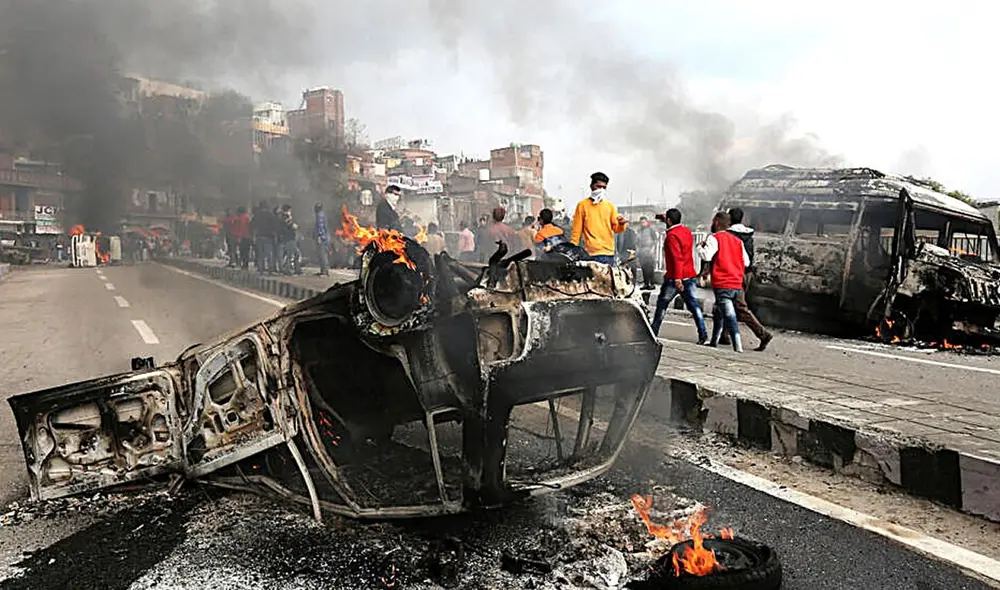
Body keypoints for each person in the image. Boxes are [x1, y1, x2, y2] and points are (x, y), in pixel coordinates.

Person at [719, 207, 773, 351]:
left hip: (734, 274)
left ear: (730, 219)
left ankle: (763, 334)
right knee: (731, 304)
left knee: (739, 306)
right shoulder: (748, 234)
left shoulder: (728, 234)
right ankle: (724, 335)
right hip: (746, 273)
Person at [650, 208, 708, 343]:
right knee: (694, 306)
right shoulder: (686, 231)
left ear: (669, 220)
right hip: (689, 275)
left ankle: (653, 331)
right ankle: (703, 334)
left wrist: (677, 279)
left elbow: (677, 258)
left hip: (675, 278)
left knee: (662, 305)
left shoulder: (671, 236)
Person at [697, 211, 750, 353]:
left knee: (729, 314)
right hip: (737, 283)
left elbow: (707, 256)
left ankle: (738, 345)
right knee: (718, 312)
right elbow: (746, 262)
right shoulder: (738, 241)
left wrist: (699, 247)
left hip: (723, 283)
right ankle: (714, 341)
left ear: (716, 222)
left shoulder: (714, 238)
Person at [569, 171, 627, 265]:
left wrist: (622, 223)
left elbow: (617, 229)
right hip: (590, 254)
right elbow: (576, 231)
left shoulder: (609, 206)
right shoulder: (582, 205)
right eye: (598, 187)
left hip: (607, 254)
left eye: (604, 188)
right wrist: (572, 249)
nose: (601, 190)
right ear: (591, 186)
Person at [636, 216, 658, 289]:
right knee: (643, 268)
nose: (642, 224)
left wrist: (653, 249)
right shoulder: (639, 231)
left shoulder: (651, 230)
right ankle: (646, 284)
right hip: (642, 251)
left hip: (649, 250)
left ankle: (652, 284)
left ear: (646, 222)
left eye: (644, 222)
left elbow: (655, 240)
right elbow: (637, 242)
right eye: (641, 222)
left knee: (650, 268)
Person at [278, 204, 298, 275]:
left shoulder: (281, 217)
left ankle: (288, 269)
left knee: (289, 254)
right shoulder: (286, 217)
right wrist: (295, 226)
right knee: (291, 255)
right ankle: (288, 270)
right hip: (289, 238)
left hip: (286, 238)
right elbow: (291, 225)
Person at [314, 203, 330, 276]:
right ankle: (324, 270)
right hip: (325, 237)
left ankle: (324, 271)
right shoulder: (323, 214)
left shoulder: (319, 215)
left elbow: (320, 227)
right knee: (323, 254)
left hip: (322, 238)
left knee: (322, 254)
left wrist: (319, 236)